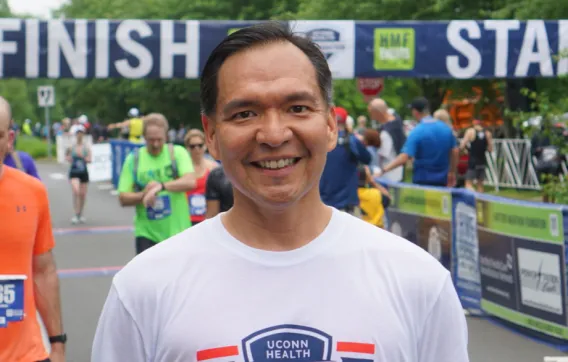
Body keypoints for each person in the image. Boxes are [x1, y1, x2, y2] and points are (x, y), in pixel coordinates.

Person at [92, 23, 469, 362]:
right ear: (211, 135)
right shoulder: (143, 289)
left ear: (330, 125)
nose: (274, 135)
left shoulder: (419, 281)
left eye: (298, 107)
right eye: (245, 114)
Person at [0, 97, 66, 362]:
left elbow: (44, 271)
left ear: (9, 139)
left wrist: (58, 343)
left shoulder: (32, 191)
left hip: (27, 354)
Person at [116, 113, 197, 254]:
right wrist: (144, 195)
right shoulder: (133, 159)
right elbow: (123, 198)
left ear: (166, 136)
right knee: (147, 276)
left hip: (178, 232)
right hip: (147, 233)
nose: (155, 144)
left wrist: (161, 186)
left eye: (159, 140)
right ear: (144, 137)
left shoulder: (177, 153)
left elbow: (190, 182)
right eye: (150, 140)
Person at [378, 97, 459, 188]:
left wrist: (383, 170)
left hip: (423, 181)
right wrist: (452, 172)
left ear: (415, 112)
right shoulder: (446, 128)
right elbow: (455, 151)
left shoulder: (417, 131)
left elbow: (404, 157)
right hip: (443, 181)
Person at [319, 106, 371, 215]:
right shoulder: (352, 141)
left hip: (323, 201)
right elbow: (367, 158)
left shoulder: (319, 141)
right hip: (347, 202)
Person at [184, 129, 218, 224]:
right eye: (192, 146)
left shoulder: (213, 167)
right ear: (187, 148)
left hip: (207, 219)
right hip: (186, 219)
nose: (197, 149)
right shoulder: (182, 169)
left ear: (205, 146)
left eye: (200, 145)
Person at [368, 98, 406, 182]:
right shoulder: (396, 120)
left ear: (377, 113)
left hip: (390, 175)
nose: (370, 116)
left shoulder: (386, 133)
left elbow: (381, 155)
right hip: (398, 171)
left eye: (371, 113)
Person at [66, 125, 91, 224]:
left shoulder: (86, 147)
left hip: (83, 172)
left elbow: (90, 159)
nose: (80, 136)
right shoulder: (71, 147)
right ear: (76, 135)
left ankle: (80, 213)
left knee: (83, 194)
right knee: (76, 191)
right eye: (78, 134)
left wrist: (85, 159)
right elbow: (67, 156)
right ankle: (76, 214)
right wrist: (70, 159)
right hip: (74, 172)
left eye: (81, 134)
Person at [460, 118, 493, 192]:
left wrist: (466, 150)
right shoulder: (487, 133)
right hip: (482, 161)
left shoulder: (470, 131)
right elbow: (490, 149)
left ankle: (472, 199)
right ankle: (482, 202)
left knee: (468, 183)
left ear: (473, 123)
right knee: (480, 185)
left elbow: (462, 145)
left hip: (473, 161)